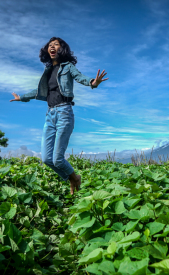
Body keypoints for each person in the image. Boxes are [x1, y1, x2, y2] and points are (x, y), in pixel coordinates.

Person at [10, 37, 108, 195]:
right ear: (47, 51)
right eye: (50, 45)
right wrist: (22, 97)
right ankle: (74, 177)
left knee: (57, 159)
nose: (52, 47)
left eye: (56, 44)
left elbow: (80, 77)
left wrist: (92, 82)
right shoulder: (48, 72)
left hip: (64, 112)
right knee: (46, 159)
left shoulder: (68, 67)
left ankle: (73, 178)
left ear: (62, 49)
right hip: (49, 115)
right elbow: (39, 92)